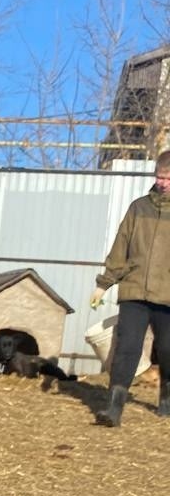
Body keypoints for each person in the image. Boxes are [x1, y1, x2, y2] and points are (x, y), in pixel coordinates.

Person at [90, 151, 170, 426]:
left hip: (167, 295)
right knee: (127, 347)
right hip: (134, 290)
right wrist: (103, 285)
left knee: (168, 348)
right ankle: (114, 409)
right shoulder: (139, 208)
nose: (162, 183)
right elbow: (120, 246)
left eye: (168, 179)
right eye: (160, 177)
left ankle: (166, 399)